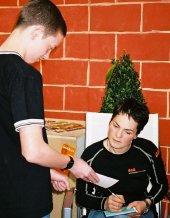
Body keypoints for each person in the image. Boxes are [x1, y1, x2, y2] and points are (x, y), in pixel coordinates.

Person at [0, 0, 99, 217]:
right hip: (24, 203)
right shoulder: (25, 75)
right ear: (36, 32)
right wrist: (72, 163)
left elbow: (9, 144)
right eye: (50, 47)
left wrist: (47, 171)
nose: (46, 56)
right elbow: (33, 151)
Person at [76, 98, 169, 218]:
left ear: (136, 135)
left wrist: (146, 203)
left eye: (128, 132)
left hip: (141, 211)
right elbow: (81, 196)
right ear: (110, 122)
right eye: (116, 126)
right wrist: (104, 203)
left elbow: (161, 185)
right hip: (102, 211)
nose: (118, 135)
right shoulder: (92, 155)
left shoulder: (147, 150)